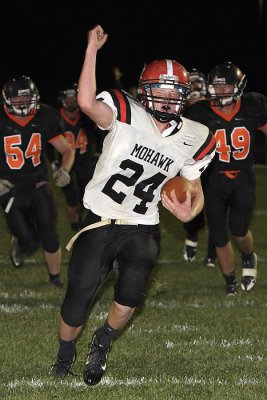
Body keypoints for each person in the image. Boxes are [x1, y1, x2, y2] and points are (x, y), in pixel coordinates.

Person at [51, 24, 215, 385]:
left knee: (128, 301)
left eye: (176, 94)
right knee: (76, 305)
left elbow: (195, 188)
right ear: (145, 92)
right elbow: (85, 103)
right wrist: (91, 49)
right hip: (100, 218)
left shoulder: (196, 135)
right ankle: (65, 353)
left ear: (185, 97)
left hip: (142, 224)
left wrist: (193, 211)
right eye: (162, 92)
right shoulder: (124, 110)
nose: (169, 101)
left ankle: (102, 342)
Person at [185, 61, 267, 294]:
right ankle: (230, 279)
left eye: (226, 87)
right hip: (213, 179)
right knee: (218, 233)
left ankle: (249, 257)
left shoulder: (253, 106)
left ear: (239, 87)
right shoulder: (200, 112)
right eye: (217, 87)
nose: (220, 91)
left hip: (243, 178)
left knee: (239, 231)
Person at [0, 75, 74, 287]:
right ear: (6, 99)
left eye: (26, 99)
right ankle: (22, 242)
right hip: (8, 187)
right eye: (17, 100)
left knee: (49, 231)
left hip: (38, 183)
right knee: (30, 241)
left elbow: (66, 149)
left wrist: (65, 170)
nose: (23, 104)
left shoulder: (45, 116)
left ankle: (55, 279)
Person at [48, 83, 99, 231]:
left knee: (87, 193)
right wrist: (53, 161)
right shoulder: (56, 118)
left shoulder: (87, 116)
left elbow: (99, 134)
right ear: (62, 100)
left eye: (73, 98)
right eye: (67, 99)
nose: (71, 101)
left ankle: (83, 212)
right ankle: (75, 227)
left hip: (85, 160)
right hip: (66, 163)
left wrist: (99, 151)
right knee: (71, 196)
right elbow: (48, 144)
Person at [183, 68, 217, 267]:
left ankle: (213, 252)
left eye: (198, 84)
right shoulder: (181, 110)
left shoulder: (213, 107)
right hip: (189, 163)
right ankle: (192, 234)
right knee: (188, 200)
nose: (195, 90)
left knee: (215, 209)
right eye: (191, 85)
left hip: (213, 163)